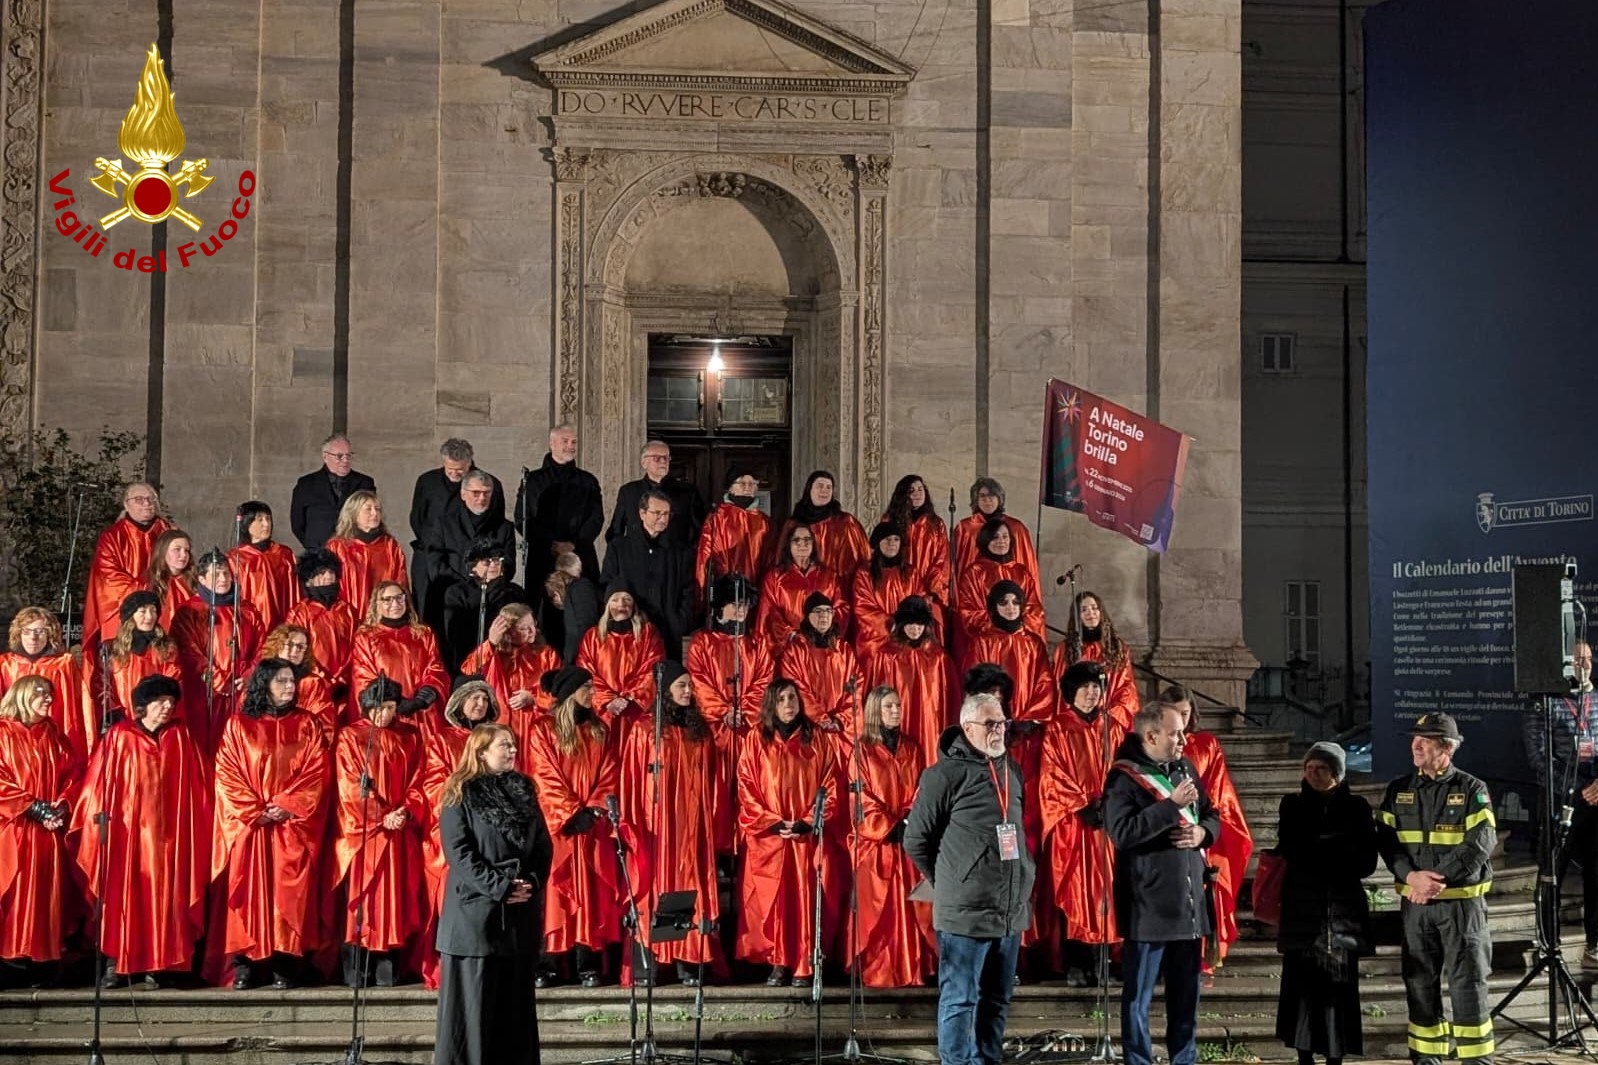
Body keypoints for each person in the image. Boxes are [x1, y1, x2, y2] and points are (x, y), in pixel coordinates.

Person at [904, 692, 1033, 1065]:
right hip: (964, 912)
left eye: (1003, 722)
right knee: (960, 999)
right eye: (990, 724)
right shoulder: (942, 775)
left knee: (996, 999)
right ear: (967, 727)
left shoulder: (1011, 768)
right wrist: (950, 881)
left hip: (1009, 909)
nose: (999, 731)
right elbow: (916, 839)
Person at [1104, 700, 1222, 1065]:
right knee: (1138, 999)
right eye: (1175, 733)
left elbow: (1212, 813)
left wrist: (1204, 833)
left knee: (1186, 997)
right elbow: (1121, 832)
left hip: (1189, 906)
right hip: (1149, 908)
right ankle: (1138, 1060)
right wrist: (1169, 807)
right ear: (1152, 735)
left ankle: (1183, 1059)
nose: (1184, 739)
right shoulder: (1124, 778)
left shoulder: (1184, 768)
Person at [73, 674, 208, 990]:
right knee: (123, 898)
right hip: (127, 836)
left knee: (166, 899)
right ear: (143, 704)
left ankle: (160, 966)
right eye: (160, 701)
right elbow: (97, 786)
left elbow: (198, 788)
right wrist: (100, 825)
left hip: (169, 837)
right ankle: (117, 964)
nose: (166, 708)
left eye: (171, 702)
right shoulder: (120, 736)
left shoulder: (180, 737)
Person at [1376, 713, 1496, 1065]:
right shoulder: (1399, 790)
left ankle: (1476, 1062)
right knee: (1419, 984)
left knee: (1468, 986)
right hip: (1416, 907)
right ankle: (1426, 1060)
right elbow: (1386, 841)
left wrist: (1433, 881)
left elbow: (1480, 844)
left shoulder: (1472, 789)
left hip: (1461, 908)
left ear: (1447, 748)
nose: (1416, 745)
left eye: (1425, 740)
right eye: (1415, 738)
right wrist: (1411, 878)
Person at [434, 723, 552, 1065]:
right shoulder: (459, 792)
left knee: (514, 1012)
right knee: (474, 1012)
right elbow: (460, 854)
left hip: (518, 918)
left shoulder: (524, 790)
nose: (512, 750)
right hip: (475, 918)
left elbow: (543, 847)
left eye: (513, 745)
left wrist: (530, 882)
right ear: (482, 751)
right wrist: (500, 887)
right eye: (504, 745)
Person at [210, 659, 331, 989]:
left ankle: (284, 963)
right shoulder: (239, 724)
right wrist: (255, 810)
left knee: (288, 895)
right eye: (281, 680)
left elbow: (317, 772)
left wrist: (285, 806)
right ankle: (246, 964)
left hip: (290, 827)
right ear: (264, 683)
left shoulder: (308, 724)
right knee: (247, 893)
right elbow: (227, 772)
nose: (289, 686)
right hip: (251, 828)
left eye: (291, 680)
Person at [1275, 741, 1377, 1065]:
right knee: (1302, 991)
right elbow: (1293, 849)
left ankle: (1335, 1057)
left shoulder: (1357, 807)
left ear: (1336, 773)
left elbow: (1364, 860)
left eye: (1321, 768)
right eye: (1308, 768)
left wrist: (1322, 847)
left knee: (1338, 992)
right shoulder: (1292, 805)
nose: (1313, 774)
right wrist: (1333, 846)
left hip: (1342, 916)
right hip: (1303, 913)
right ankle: (1304, 1056)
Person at [620, 661, 721, 985]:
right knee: (653, 889)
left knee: (685, 887)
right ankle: (649, 962)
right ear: (665, 690)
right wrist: (632, 824)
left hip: (690, 828)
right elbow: (632, 780)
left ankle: (684, 960)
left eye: (690, 686)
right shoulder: (645, 729)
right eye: (681, 686)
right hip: (656, 827)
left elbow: (713, 783)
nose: (688, 691)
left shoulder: (699, 731)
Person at [736, 678, 840, 986]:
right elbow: (746, 786)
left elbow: (830, 783)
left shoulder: (816, 737)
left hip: (805, 836)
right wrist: (771, 822)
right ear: (771, 703)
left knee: (806, 902)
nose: (788, 704)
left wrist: (810, 820)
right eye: (781, 699)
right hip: (771, 838)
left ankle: (805, 962)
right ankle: (778, 962)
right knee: (776, 903)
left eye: (792, 697)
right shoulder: (757, 738)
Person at [524, 666, 623, 987]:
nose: (593, 693)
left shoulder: (599, 730)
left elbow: (610, 771)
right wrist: (569, 813)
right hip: (559, 829)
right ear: (570, 694)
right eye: (587, 688)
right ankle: (549, 963)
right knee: (556, 893)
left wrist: (594, 809)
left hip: (591, 828)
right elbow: (543, 775)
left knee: (592, 893)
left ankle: (587, 962)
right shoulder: (543, 730)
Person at [335, 677, 427, 987]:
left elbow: (421, 779)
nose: (384, 715)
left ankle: (389, 968)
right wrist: (380, 816)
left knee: (396, 899)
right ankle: (359, 970)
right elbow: (350, 785)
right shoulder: (351, 736)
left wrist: (405, 811)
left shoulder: (411, 736)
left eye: (390, 708)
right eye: (379, 708)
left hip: (400, 830)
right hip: (366, 833)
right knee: (365, 900)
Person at [1040, 661, 1123, 987]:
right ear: (1071, 692)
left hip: (1109, 824)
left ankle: (1105, 961)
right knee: (1077, 892)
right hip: (1073, 826)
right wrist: (1081, 805)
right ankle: (1076, 962)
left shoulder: (1113, 727)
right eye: (1084, 687)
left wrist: (1112, 803)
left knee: (1109, 892)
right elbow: (1052, 775)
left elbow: (1124, 769)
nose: (1091, 693)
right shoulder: (1058, 728)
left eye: (1096, 687)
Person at [848, 685, 934, 987]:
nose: (896, 711)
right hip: (879, 843)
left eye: (898, 705)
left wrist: (911, 820)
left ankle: (915, 969)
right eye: (888, 707)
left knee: (916, 906)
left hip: (909, 838)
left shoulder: (912, 748)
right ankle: (881, 971)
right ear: (874, 710)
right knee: (881, 910)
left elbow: (922, 790)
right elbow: (861, 799)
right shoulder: (862, 750)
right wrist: (888, 826)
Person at [1162, 685, 1253, 969]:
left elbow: (1216, 788)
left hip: (1199, 828)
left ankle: (1201, 953)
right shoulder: (1152, 744)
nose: (1181, 720)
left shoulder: (1205, 744)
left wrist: (1203, 824)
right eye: (1174, 713)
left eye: (1185, 713)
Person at [419, 678, 501, 990]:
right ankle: (449, 967)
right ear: (459, 702)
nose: (479, 704)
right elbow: (433, 783)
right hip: (452, 831)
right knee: (451, 901)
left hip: (490, 833)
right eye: (473, 698)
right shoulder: (441, 740)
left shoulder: (496, 738)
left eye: (484, 699)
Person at [1522, 639, 1598, 967]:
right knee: (1552, 873)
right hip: (1561, 801)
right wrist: (1581, 789)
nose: (1584, 666)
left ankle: (1594, 947)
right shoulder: (1544, 702)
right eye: (1577, 660)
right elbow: (1539, 759)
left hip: (1597, 799)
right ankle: (1548, 945)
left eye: (1588, 659)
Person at [686, 574, 774, 853]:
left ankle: (746, 845)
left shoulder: (757, 644)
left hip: (749, 730)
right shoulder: (703, 642)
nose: (740, 610)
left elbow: (764, 681)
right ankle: (720, 850)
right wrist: (724, 710)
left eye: (745, 605)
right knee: (716, 792)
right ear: (720, 607)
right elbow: (698, 682)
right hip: (716, 731)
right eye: (734, 604)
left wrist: (744, 710)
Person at [0, 675, 79, 987]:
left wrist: (61, 805)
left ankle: (42, 962)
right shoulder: (3, 732)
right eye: (40, 694)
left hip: (48, 833)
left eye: (50, 694)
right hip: (13, 829)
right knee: (14, 893)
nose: (48, 699)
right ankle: (11, 961)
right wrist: (32, 807)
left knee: (47, 895)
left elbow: (72, 776)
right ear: (21, 695)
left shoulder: (55, 735)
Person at [170, 550, 265, 756]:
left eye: (226, 574)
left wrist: (250, 675)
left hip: (241, 691)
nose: (223, 579)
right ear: (202, 579)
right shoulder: (189, 611)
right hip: (205, 694)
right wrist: (217, 679)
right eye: (216, 575)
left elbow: (263, 646)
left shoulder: (247, 609)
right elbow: (187, 651)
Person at [410, 439, 506, 610]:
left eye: (460, 470)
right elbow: (418, 519)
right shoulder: (427, 481)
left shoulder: (487, 484)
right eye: (449, 469)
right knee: (426, 609)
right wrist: (436, 547)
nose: (454, 474)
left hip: (473, 560)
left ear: (470, 463)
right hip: (432, 555)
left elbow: (495, 524)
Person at [461, 603, 562, 763]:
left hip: (535, 728)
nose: (531, 631)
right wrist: (491, 643)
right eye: (523, 628)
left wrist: (534, 697)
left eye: (532, 625)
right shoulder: (495, 654)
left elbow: (559, 690)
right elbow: (469, 672)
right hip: (502, 726)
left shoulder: (546, 654)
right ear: (508, 631)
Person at [601, 489, 695, 652]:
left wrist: (680, 621)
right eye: (657, 513)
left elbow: (688, 589)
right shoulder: (619, 547)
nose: (663, 518)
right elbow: (608, 584)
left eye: (666, 514)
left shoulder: (680, 552)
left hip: (668, 632)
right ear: (642, 513)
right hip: (630, 632)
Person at [83, 483, 172, 652]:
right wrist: (145, 592)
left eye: (151, 499)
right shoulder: (112, 536)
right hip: (123, 609)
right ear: (126, 505)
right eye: (139, 499)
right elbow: (108, 576)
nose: (146, 503)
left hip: (163, 607)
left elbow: (179, 569)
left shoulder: (168, 532)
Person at [424, 470, 519, 629]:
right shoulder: (444, 524)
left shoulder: (504, 527)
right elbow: (436, 566)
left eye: (486, 493)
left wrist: (493, 570)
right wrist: (472, 573)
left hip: (494, 601)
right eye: (476, 493)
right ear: (463, 494)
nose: (482, 498)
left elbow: (509, 565)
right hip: (454, 599)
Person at [348, 581, 449, 730]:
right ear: (377, 604)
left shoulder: (423, 634)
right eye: (387, 599)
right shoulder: (366, 637)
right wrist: (393, 701)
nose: (395, 603)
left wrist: (422, 699)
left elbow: (436, 668)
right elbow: (364, 676)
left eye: (399, 598)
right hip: (387, 714)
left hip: (423, 714)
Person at [515, 423, 604, 586]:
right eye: (565, 441)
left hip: (580, 555)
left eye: (574, 442)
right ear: (552, 444)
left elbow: (596, 518)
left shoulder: (588, 481)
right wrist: (552, 545)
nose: (570, 446)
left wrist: (573, 544)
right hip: (542, 557)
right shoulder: (532, 480)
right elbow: (522, 518)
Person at [864, 596, 951, 762]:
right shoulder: (887, 655)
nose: (915, 629)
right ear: (902, 624)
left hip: (929, 725)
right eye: (910, 623)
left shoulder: (939, 656)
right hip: (898, 722)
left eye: (920, 624)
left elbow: (948, 699)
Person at [0, 608, 93, 760]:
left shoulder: (64, 664)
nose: (33, 638)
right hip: (13, 744)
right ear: (18, 633)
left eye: (40, 631)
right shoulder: (5, 664)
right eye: (26, 631)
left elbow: (77, 709)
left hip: (53, 742)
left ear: (50, 634)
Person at [576, 586, 666, 742]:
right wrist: (608, 699)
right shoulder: (593, 637)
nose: (621, 604)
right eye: (615, 599)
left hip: (635, 711)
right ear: (607, 606)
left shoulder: (647, 634)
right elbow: (585, 671)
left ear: (634, 606)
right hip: (604, 713)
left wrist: (627, 698)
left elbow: (653, 668)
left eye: (627, 599)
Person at [776, 593, 863, 740]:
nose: (824, 615)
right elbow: (796, 688)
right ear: (808, 616)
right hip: (808, 729)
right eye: (818, 611)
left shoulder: (843, 650)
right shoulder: (795, 650)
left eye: (828, 611)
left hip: (840, 729)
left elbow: (856, 686)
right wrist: (820, 718)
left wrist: (841, 719)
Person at [1053, 590, 1138, 730]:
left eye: (1094, 608)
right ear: (1077, 616)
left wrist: (1111, 714)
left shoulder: (1117, 647)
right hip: (1077, 722)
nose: (1090, 613)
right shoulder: (1066, 648)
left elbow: (1126, 687)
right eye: (1083, 610)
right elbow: (1060, 688)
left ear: (1101, 612)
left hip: (1108, 723)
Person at [852, 522, 936, 665]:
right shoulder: (865, 573)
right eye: (887, 539)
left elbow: (920, 602)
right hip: (877, 637)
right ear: (878, 543)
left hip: (907, 634)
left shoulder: (911, 573)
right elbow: (863, 607)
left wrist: (906, 626)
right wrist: (891, 624)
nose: (892, 544)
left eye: (896, 539)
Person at [953, 519, 1044, 650]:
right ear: (985, 541)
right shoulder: (974, 573)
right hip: (989, 645)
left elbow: (1034, 608)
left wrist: (1017, 628)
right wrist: (1000, 628)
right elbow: (969, 612)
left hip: (1021, 645)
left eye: (1005, 536)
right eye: (995, 537)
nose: (1001, 541)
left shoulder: (1021, 572)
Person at [440, 541, 530, 670]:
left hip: (508, 660)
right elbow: (455, 635)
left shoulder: (515, 593)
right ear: (473, 567)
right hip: (469, 658)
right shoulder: (457, 593)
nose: (493, 564)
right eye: (487, 561)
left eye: (497, 560)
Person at [284, 548, 360, 701]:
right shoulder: (299, 612)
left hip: (347, 686)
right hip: (312, 686)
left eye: (331, 572)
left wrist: (342, 678)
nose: (328, 577)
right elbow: (297, 651)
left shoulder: (348, 610)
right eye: (321, 573)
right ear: (309, 579)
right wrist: (324, 679)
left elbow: (357, 646)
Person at [758, 521, 849, 647]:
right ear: (788, 544)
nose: (803, 545)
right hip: (789, 647)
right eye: (797, 540)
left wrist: (826, 632)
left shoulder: (829, 576)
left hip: (823, 646)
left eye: (807, 540)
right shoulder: (774, 577)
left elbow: (841, 608)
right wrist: (791, 636)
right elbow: (768, 614)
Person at [98, 591, 182, 727]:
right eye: (142, 611)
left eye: (153, 611)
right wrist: (112, 711)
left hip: (155, 721)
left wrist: (155, 712)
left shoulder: (166, 647)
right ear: (131, 616)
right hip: (122, 720)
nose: (149, 616)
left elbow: (173, 681)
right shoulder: (111, 649)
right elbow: (103, 684)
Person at [783, 469, 871, 592]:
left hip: (836, 591)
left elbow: (860, 559)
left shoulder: (845, 522)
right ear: (809, 489)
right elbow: (782, 558)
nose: (824, 491)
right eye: (820, 486)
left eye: (829, 487)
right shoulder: (793, 523)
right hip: (799, 590)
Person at [607, 440, 706, 549]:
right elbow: (616, 531)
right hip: (638, 559)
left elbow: (701, 529)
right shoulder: (628, 492)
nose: (663, 461)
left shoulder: (687, 492)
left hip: (674, 560)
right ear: (644, 463)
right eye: (657, 458)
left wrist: (687, 556)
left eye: (666, 458)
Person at [325, 491, 409, 618]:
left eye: (377, 509)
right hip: (348, 615)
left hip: (383, 616)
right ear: (353, 513)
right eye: (368, 509)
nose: (375, 513)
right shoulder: (337, 547)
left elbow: (400, 582)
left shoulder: (389, 545)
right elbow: (329, 586)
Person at [290, 433, 376, 550]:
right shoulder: (306, 484)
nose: (345, 460)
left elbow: (371, 518)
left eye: (348, 455)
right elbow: (297, 524)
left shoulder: (365, 483)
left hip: (354, 552)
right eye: (339, 456)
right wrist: (313, 546)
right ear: (325, 456)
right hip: (318, 554)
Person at [696, 469, 770, 599]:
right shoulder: (717, 517)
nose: (747, 487)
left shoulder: (764, 521)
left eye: (752, 483)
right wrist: (701, 593)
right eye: (742, 483)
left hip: (755, 586)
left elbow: (770, 557)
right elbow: (704, 557)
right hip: (723, 588)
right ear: (730, 488)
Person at [227, 501, 299, 634]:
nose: (266, 524)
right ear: (247, 523)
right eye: (260, 519)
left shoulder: (284, 554)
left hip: (282, 626)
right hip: (251, 627)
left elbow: (294, 593)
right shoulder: (236, 558)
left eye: (268, 519)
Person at [881, 474, 951, 611]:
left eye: (920, 489)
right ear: (903, 494)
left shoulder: (936, 524)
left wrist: (931, 592)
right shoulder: (889, 520)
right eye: (911, 491)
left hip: (929, 591)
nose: (917, 494)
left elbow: (942, 560)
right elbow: (882, 555)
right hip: (897, 588)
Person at [257, 624, 338, 741]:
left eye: (300, 647)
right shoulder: (262, 677)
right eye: (290, 644)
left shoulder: (311, 683)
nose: (295, 651)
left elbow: (325, 725)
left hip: (299, 745)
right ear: (277, 646)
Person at [953, 478, 1039, 582]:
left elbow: (1029, 569)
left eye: (992, 495)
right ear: (976, 499)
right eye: (982, 496)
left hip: (1008, 590)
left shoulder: (1016, 528)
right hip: (973, 588)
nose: (987, 500)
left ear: (999, 498)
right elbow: (956, 567)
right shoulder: (965, 528)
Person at [540, 551, 599, 664]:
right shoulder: (576, 590)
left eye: (552, 597)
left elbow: (585, 627)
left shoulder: (581, 587)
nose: (553, 602)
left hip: (582, 660)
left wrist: (570, 661)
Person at [145, 527, 195, 631]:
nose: (183, 555)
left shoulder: (195, 582)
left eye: (186, 550)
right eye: (177, 549)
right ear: (163, 551)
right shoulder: (147, 583)